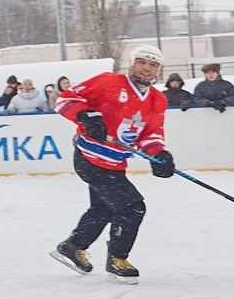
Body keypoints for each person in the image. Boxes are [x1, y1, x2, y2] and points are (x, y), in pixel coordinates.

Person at [48, 43, 172, 283]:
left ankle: (72, 247)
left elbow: (150, 134)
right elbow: (66, 99)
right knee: (132, 207)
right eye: (142, 62)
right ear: (132, 64)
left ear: (158, 70)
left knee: (104, 207)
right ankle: (117, 259)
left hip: (115, 163)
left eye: (152, 65)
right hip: (89, 158)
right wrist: (85, 115)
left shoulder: (157, 99)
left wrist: (159, 156)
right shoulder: (108, 82)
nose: (146, 68)